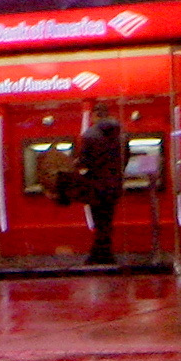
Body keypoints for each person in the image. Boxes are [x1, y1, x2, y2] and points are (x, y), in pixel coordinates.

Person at [74, 104, 127, 265]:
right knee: (107, 220)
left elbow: (85, 161)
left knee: (99, 220)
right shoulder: (121, 134)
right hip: (114, 184)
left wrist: (75, 164)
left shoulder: (89, 135)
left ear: (95, 116)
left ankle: (102, 255)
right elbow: (125, 159)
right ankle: (103, 253)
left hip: (96, 184)